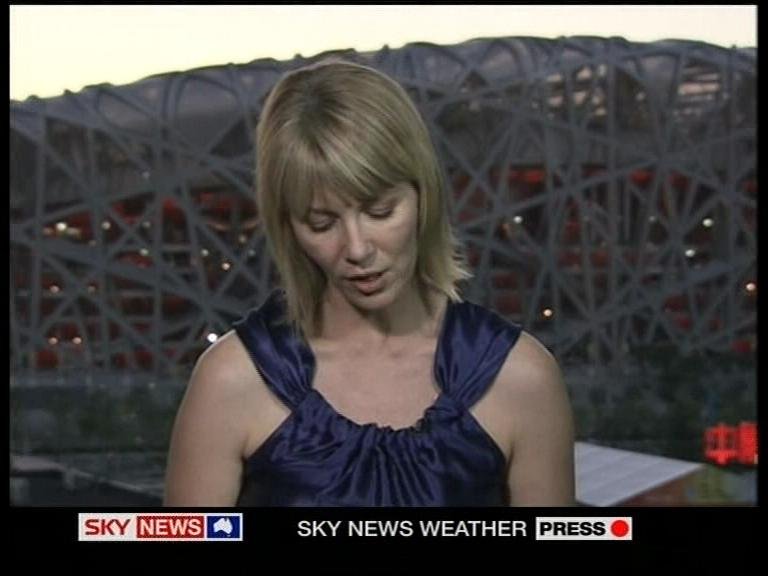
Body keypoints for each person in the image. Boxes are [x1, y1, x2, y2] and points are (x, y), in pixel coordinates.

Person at [164, 59, 574, 506]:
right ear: (288, 227)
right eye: (321, 223)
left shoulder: (522, 378)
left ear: (424, 195)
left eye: (380, 212)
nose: (357, 249)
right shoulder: (231, 380)